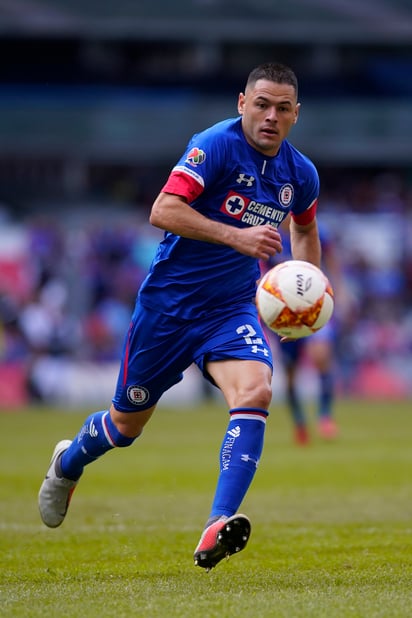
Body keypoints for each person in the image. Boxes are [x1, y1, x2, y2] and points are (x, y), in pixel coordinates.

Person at [38, 62, 322, 571]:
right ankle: (67, 463)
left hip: (231, 308)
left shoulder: (300, 174)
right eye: (261, 104)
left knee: (255, 391)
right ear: (242, 104)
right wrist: (237, 236)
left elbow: (305, 228)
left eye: (282, 108)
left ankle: (218, 522)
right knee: (125, 426)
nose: (271, 116)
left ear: (296, 115)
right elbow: (163, 210)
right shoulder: (213, 144)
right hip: (167, 309)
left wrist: (308, 286)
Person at [261, 220, 341, 445]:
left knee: (322, 356)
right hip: (283, 313)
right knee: (291, 374)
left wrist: (340, 292)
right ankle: (300, 423)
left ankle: (325, 417)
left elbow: (332, 262)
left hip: (314, 305)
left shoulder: (316, 229)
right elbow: (262, 272)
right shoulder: (270, 234)